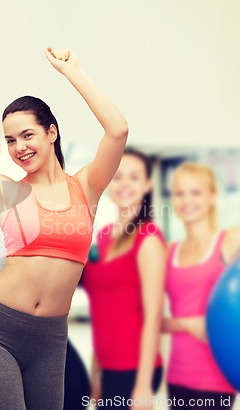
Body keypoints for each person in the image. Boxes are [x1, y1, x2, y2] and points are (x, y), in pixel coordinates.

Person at [0, 46, 129, 409]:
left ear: (52, 132)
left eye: (27, 135)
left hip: (50, 338)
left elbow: (118, 130)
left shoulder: (87, 187)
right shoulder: (4, 190)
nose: (18, 147)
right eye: (10, 140)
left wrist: (73, 73)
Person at [162, 162, 240, 409]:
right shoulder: (168, 252)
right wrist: (186, 324)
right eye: (180, 193)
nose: (187, 200)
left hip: (216, 379)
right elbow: (146, 318)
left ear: (212, 196)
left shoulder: (232, 241)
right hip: (177, 376)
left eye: (196, 192)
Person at [82, 149, 166, 409]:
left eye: (134, 177)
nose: (125, 184)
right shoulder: (104, 235)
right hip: (107, 367)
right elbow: (103, 310)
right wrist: (95, 371)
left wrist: (143, 384)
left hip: (135, 370)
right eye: (118, 177)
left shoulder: (148, 238)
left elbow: (154, 315)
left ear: (147, 184)